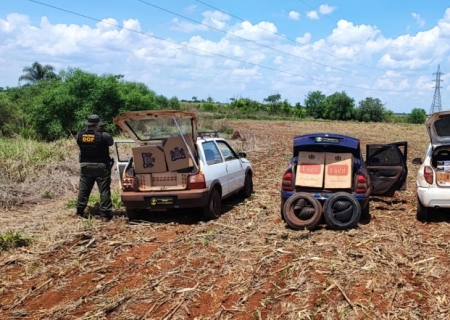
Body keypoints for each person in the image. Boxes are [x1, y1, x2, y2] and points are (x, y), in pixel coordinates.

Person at [76, 114, 114, 222]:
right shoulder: (103, 135)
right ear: (98, 124)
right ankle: (105, 215)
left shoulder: (80, 134)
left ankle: (79, 211)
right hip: (101, 166)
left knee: (84, 190)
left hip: (85, 165)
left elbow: (79, 143)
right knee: (104, 191)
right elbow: (110, 142)